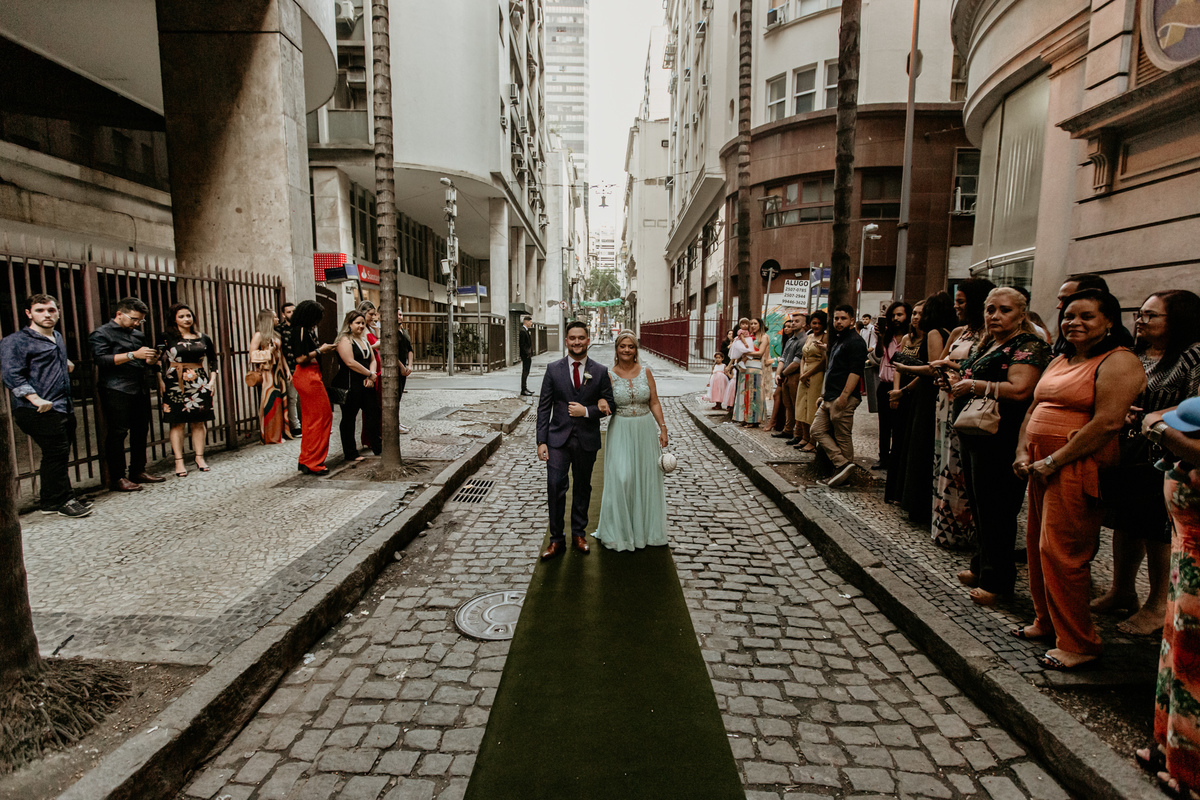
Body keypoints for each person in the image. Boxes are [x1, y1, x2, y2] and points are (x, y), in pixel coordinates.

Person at [1013, 289, 1145, 669]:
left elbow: (1107, 423)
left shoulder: (1119, 361)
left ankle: (1079, 642)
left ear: (1109, 322)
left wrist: (1054, 460)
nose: (1074, 322)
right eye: (1069, 316)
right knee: (1039, 545)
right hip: (1041, 462)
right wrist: (1023, 451)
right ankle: (1046, 622)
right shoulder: (1060, 358)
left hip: (1077, 464)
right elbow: (1036, 407)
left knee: (1064, 551)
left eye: (1086, 316)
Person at [1092, 290, 1200, 635]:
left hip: (1165, 458)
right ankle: (1121, 590)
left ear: (1178, 320)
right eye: (1139, 313)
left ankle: (1157, 606)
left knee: (1157, 531)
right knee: (1126, 523)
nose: (1140, 320)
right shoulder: (1137, 353)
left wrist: (1154, 419)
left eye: (1151, 315)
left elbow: (1194, 407)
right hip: (1130, 453)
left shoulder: (1193, 356)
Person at [945, 287, 1051, 605]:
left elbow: (1020, 389)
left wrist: (975, 385)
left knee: (997, 508)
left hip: (1001, 434)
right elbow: (969, 373)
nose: (995, 316)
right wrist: (955, 381)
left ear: (1021, 313)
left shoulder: (1028, 345)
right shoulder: (990, 342)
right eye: (990, 309)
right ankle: (981, 565)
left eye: (1004, 310)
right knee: (978, 503)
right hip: (974, 431)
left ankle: (999, 580)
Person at [1138, 396, 1200, 799]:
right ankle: (1167, 747)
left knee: (1193, 664)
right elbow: (1156, 415)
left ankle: (1191, 773)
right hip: (1185, 567)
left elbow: (1156, 422)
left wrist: (1162, 431)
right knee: (1174, 655)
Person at [1, 294, 91, 517]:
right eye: (40, 310)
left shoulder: (56, 336)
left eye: (51, 310)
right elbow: (12, 375)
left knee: (57, 454)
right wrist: (35, 399)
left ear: (58, 312)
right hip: (36, 409)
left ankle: (50, 502)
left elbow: (47, 361)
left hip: (62, 406)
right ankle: (63, 500)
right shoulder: (16, 341)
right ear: (29, 313)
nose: (47, 314)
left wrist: (64, 363)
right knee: (56, 451)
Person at [536, 320, 616, 560]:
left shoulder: (600, 371)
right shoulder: (553, 369)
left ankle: (579, 535)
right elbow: (543, 408)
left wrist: (588, 411)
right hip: (557, 440)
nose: (577, 342)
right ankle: (556, 539)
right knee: (555, 487)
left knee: (583, 486)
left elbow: (610, 404)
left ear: (588, 340)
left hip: (586, 440)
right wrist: (541, 441)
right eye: (573, 338)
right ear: (566, 341)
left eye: (581, 338)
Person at [592, 330, 669, 551]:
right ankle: (620, 532)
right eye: (623, 346)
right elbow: (600, 397)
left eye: (631, 346)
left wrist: (662, 427)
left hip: (644, 429)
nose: (627, 350)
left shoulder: (646, 372)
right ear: (616, 349)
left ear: (636, 350)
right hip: (621, 429)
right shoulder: (609, 374)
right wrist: (601, 402)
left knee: (645, 478)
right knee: (622, 477)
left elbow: (654, 402)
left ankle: (646, 531)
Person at [932, 278, 994, 549]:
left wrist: (955, 369)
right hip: (946, 401)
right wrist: (941, 372)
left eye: (961, 301)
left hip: (970, 405)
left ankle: (968, 531)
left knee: (962, 468)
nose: (956, 306)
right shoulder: (959, 332)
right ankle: (945, 529)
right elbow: (941, 362)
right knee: (944, 463)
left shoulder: (989, 336)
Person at [89, 297, 165, 492]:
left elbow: (142, 359)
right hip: (115, 389)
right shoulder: (101, 333)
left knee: (141, 430)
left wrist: (150, 359)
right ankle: (118, 477)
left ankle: (138, 470)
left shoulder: (137, 335)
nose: (137, 323)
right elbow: (101, 360)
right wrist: (133, 355)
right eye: (133, 319)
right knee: (117, 433)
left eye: (140, 320)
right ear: (119, 314)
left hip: (138, 387)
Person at [157, 303, 218, 477]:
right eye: (181, 316)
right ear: (174, 319)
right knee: (177, 422)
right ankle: (179, 461)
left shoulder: (203, 337)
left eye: (188, 315)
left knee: (199, 421)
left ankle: (199, 457)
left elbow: (213, 360)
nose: (186, 319)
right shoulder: (166, 337)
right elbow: (156, 359)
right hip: (174, 381)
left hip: (199, 381)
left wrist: (212, 381)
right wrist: (159, 379)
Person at [811, 305, 869, 486]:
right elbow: (832, 369)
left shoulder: (856, 342)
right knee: (816, 430)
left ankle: (844, 478)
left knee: (843, 436)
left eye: (843, 318)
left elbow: (855, 371)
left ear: (852, 320)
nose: (838, 322)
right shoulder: (838, 339)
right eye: (836, 318)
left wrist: (844, 396)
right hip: (830, 396)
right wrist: (824, 394)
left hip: (844, 397)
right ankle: (843, 464)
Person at [884, 301, 926, 506]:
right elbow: (899, 366)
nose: (916, 317)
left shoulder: (928, 339)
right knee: (897, 439)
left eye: (919, 314)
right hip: (901, 389)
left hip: (915, 391)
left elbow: (928, 371)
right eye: (915, 313)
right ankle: (894, 491)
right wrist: (896, 392)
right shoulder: (908, 338)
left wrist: (903, 392)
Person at [290, 300, 337, 474]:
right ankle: (314, 461)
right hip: (308, 376)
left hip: (308, 376)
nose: (321, 319)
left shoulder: (302, 330)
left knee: (312, 420)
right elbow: (300, 358)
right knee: (322, 417)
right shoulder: (301, 330)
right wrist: (321, 350)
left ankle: (307, 459)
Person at [333, 310, 381, 462]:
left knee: (373, 413)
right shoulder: (344, 340)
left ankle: (377, 446)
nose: (361, 326)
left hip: (367, 383)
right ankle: (350, 452)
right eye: (357, 323)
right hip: (350, 384)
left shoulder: (363, 339)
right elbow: (350, 362)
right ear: (349, 324)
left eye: (362, 323)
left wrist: (371, 375)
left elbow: (372, 359)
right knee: (349, 418)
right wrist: (369, 374)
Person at [873, 301, 912, 471]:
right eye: (893, 315)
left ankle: (896, 458)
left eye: (900, 315)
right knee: (884, 424)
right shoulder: (887, 335)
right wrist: (881, 336)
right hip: (884, 385)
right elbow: (878, 354)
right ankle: (883, 458)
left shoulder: (911, 338)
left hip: (901, 386)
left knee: (898, 425)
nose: (896, 318)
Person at [250, 308, 290, 445]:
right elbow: (252, 355)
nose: (278, 319)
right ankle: (270, 436)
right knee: (270, 403)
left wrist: (287, 370)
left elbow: (281, 353)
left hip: (278, 371)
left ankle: (279, 433)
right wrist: (268, 352)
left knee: (279, 402)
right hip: (268, 372)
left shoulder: (275, 334)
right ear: (268, 320)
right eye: (274, 317)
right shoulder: (259, 335)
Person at [791, 311, 828, 451]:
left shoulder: (825, 337)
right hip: (804, 372)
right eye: (814, 323)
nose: (817, 325)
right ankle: (804, 437)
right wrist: (802, 373)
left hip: (816, 374)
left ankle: (812, 441)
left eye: (819, 323)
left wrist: (809, 374)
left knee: (812, 407)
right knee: (801, 406)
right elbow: (803, 357)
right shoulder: (809, 336)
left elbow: (824, 360)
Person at [773, 317, 807, 440]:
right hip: (786, 376)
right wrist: (778, 373)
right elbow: (783, 358)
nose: (793, 323)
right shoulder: (790, 340)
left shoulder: (803, 340)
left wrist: (783, 374)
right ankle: (788, 429)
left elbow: (796, 362)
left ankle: (798, 433)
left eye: (796, 321)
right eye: (792, 321)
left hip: (795, 375)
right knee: (788, 404)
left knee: (796, 404)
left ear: (804, 324)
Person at [733, 318, 769, 426]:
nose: (753, 325)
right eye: (751, 323)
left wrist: (746, 352)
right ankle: (744, 417)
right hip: (745, 366)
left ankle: (753, 420)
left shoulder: (764, 337)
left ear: (760, 325)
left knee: (754, 394)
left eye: (755, 323)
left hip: (755, 366)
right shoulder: (748, 336)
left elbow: (760, 352)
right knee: (744, 393)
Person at [276, 302, 301, 437]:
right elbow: (280, 351)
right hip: (289, 367)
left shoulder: (301, 327)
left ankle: (306, 425)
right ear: (283, 314)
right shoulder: (280, 329)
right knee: (292, 398)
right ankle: (295, 426)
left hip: (303, 366)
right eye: (289, 312)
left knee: (304, 397)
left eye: (293, 311)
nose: (292, 314)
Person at [396, 309, 414, 435]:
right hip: (396, 368)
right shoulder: (390, 333)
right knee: (394, 396)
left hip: (404, 366)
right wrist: (401, 367)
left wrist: (410, 365)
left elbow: (410, 349)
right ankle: (395, 423)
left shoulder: (404, 332)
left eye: (401, 314)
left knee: (399, 396)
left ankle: (397, 421)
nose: (400, 317)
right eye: (397, 315)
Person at [861, 313, 879, 414]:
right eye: (863, 319)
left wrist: (872, 348)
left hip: (871, 352)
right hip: (865, 352)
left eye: (866, 319)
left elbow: (876, 341)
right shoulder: (863, 330)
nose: (864, 321)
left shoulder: (872, 329)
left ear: (870, 320)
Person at [519, 314, 534, 396]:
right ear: (526, 322)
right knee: (525, 372)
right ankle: (523, 389)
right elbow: (522, 345)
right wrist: (527, 354)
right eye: (530, 322)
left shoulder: (526, 330)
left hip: (527, 355)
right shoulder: (522, 331)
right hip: (525, 356)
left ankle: (525, 388)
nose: (531, 323)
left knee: (526, 372)